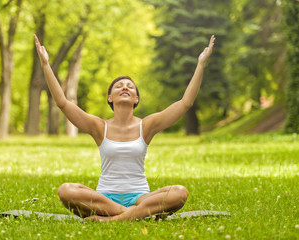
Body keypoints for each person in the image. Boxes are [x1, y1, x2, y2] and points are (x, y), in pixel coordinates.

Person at [34, 34, 215, 221]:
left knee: (179, 192)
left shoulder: (147, 126)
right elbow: (62, 103)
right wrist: (46, 65)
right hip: (104, 198)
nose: (125, 87)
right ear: (110, 98)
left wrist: (201, 64)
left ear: (136, 98)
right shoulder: (99, 127)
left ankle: (112, 220)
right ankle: (131, 215)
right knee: (66, 190)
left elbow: (185, 103)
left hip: (140, 198)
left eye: (130, 86)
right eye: (119, 86)